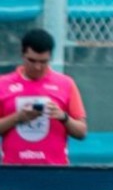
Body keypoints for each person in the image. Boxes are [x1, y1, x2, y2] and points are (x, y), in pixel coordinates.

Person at [0, 28, 88, 165]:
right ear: (22, 54)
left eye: (43, 62)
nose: (37, 67)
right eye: (32, 60)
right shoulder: (3, 84)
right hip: (14, 168)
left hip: (54, 168)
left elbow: (81, 132)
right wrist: (18, 117)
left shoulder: (66, 84)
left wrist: (63, 117)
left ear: (50, 57)